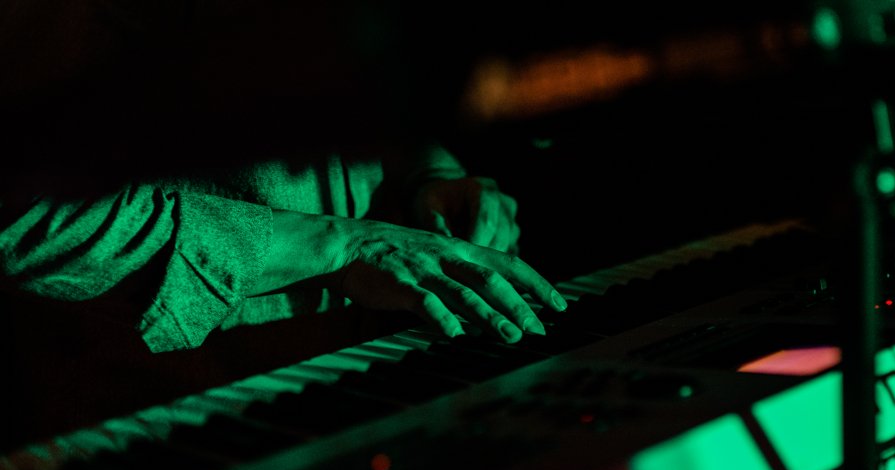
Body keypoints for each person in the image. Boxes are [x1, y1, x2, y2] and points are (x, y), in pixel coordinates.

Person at [0, 0, 567, 357]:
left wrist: (428, 175)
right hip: (161, 414)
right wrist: (344, 243)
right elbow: (23, 216)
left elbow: (335, 85)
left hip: (370, 357)